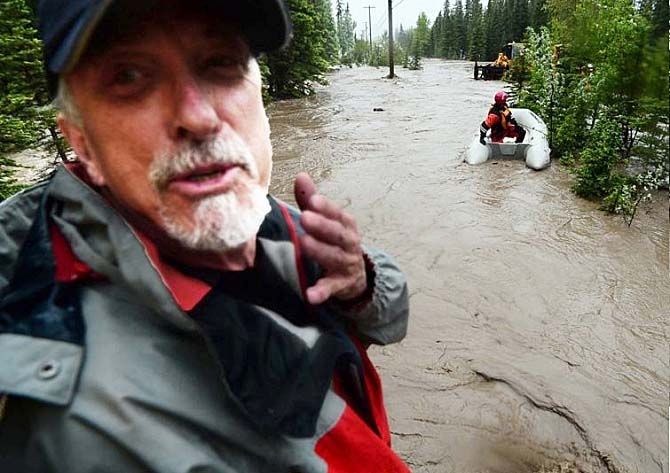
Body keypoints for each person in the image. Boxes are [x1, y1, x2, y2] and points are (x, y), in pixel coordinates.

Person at [0, 1, 410, 472]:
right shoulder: (78, 428)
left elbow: (393, 314)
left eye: (221, 63)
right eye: (129, 77)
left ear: (259, 97)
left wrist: (361, 283)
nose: (198, 117)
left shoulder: (265, 216)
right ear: (82, 143)